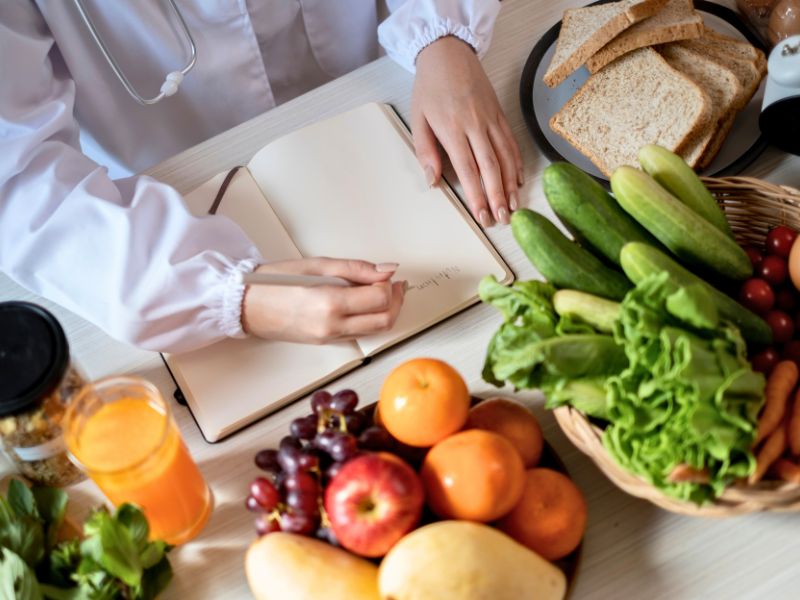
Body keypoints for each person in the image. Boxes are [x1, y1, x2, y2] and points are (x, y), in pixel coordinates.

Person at [0, 1, 522, 354]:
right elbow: (18, 181)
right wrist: (221, 298)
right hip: (170, 201)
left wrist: (444, 34)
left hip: (389, 82)